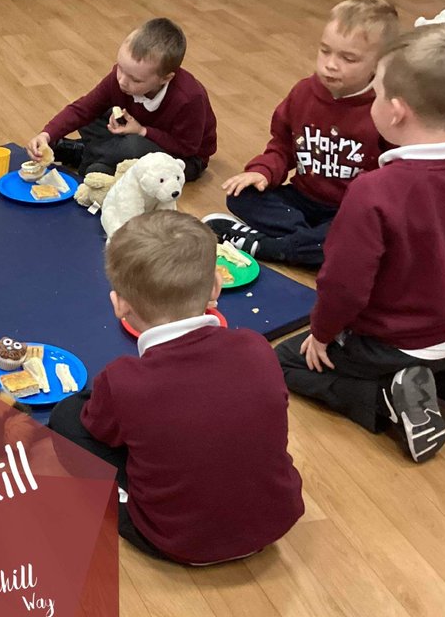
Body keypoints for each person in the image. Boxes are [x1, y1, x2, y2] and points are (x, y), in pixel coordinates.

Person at [48, 211, 303, 565]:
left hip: (175, 541)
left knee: (66, 417)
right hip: (275, 522)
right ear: (216, 287)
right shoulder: (257, 347)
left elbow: (96, 429)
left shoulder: (123, 379)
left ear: (119, 304)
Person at [276, 23, 445, 464]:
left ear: (397, 112)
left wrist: (321, 332)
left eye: (375, 94)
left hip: (396, 339)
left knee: (283, 360)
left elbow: (344, 285)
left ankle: (385, 401)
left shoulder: (376, 191)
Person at [205, 0, 399, 267]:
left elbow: (395, 178)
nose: (331, 64)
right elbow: (282, 145)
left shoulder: (385, 108)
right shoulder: (303, 93)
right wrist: (261, 171)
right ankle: (310, 246)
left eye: (348, 58)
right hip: (300, 200)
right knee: (241, 196)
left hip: (349, 211)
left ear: (380, 64)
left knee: (363, 234)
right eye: (325, 51)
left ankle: (268, 246)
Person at [27, 17, 216, 181]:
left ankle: (84, 155)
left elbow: (186, 148)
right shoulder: (120, 79)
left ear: (165, 78)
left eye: (135, 79)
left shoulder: (189, 99)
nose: (122, 81)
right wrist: (47, 134)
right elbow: (84, 108)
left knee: (132, 147)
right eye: (120, 68)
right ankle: (98, 158)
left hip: (183, 160)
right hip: (135, 131)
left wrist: (142, 131)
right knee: (94, 117)